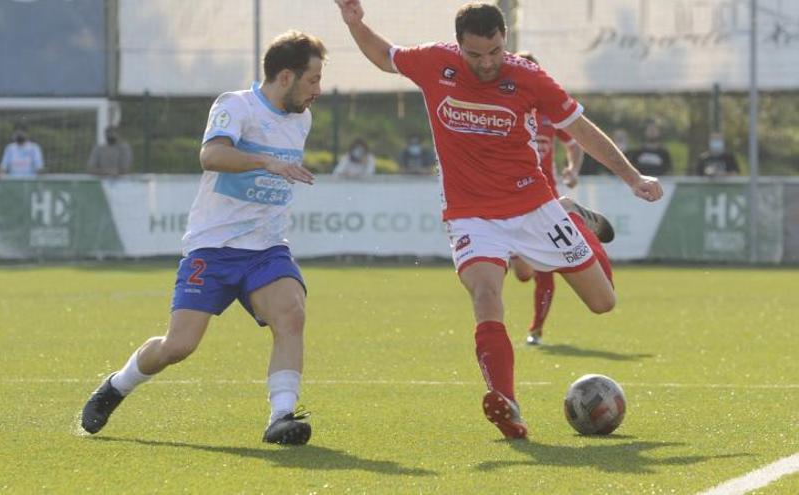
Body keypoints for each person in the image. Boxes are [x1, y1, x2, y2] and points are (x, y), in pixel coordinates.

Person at [335, 0, 662, 439]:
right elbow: (383, 56)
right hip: (471, 214)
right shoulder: (435, 62)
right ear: (459, 46)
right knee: (486, 294)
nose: (487, 63)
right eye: (476, 55)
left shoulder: (528, 77)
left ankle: (573, 213)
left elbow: (581, 130)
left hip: (535, 207)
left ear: (504, 40)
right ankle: (507, 404)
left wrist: (631, 176)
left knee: (603, 302)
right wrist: (356, 23)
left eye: (494, 52)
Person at [80, 30, 326, 446]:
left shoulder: (302, 118)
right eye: (313, 79)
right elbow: (211, 155)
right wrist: (267, 162)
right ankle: (117, 386)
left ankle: (281, 415)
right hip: (213, 248)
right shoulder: (236, 106)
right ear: (286, 76)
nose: (318, 90)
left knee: (292, 315)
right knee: (178, 346)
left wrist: (273, 168)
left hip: (267, 247)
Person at [510, 51, 588, 346]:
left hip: (545, 198)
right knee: (522, 274)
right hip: (510, 197)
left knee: (546, 267)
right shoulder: (504, 108)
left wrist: (572, 169)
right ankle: (515, 254)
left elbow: (575, 144)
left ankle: (536, 329)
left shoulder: (549, 113)